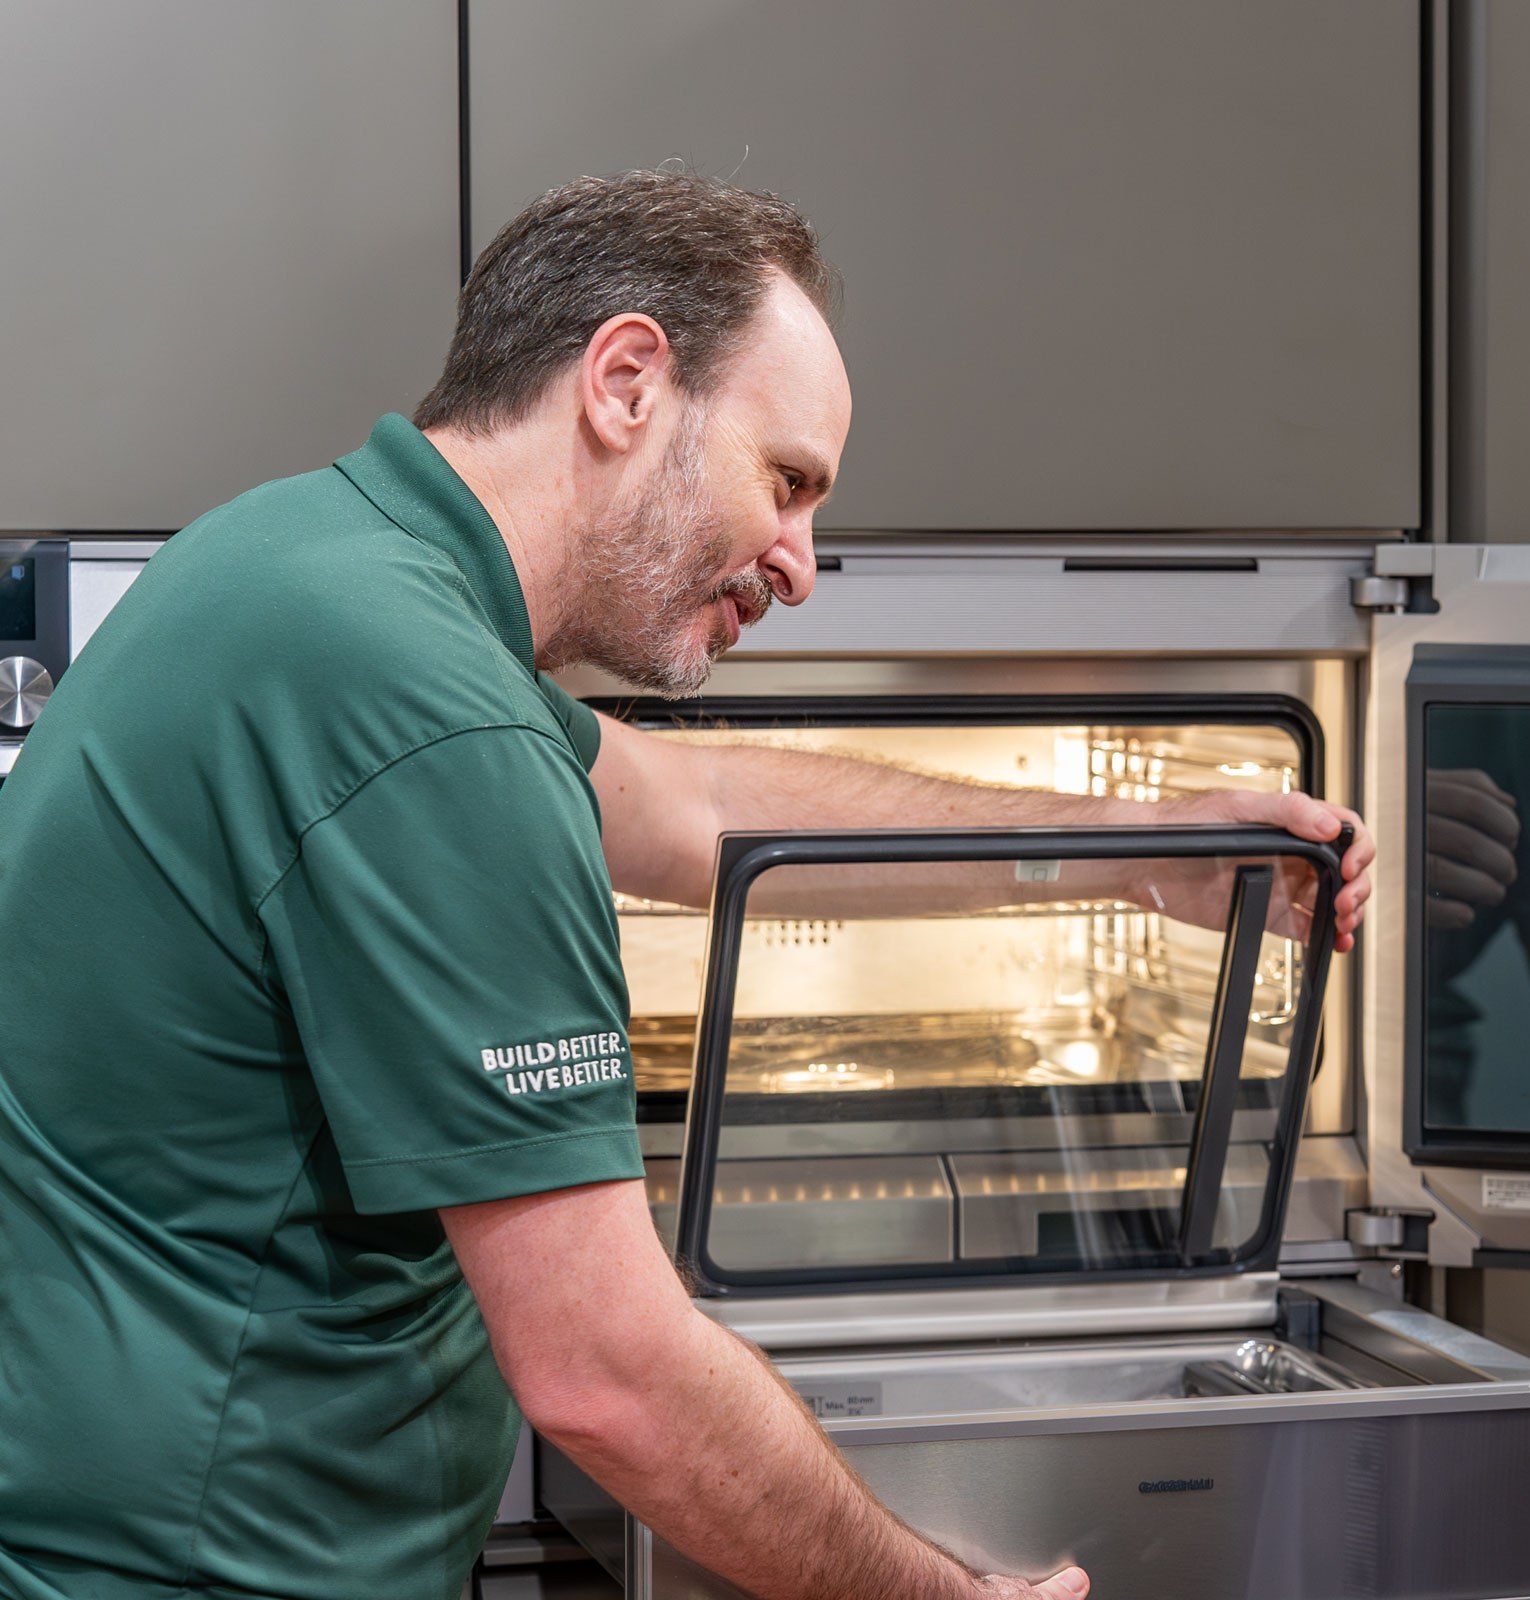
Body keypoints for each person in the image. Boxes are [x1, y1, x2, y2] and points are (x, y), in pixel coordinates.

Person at [0, 171, 1373, 1600]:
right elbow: (608, 1377)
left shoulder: (322, 564)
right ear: (628, 383)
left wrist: (1134, 849)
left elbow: (695, 804)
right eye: (786, 481)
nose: (802, 562)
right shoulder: (422, 704)